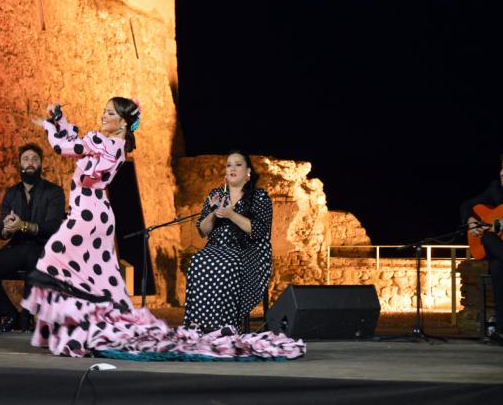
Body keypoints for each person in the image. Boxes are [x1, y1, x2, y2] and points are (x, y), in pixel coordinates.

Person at [22, 98, 304, 360]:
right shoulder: (113, 145)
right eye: (229, 165)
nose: (103, 115)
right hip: (95, 214)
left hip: (88, 215)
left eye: (110, 112)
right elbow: (204, 229)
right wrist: (59, 122)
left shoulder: (103, 143)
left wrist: (52, 124)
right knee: (95, 281)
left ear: (122, 122)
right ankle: (79, 333)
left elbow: (65, 147)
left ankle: (76, 332)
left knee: (53, 266)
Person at [0, 143, 65, 332]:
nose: (29, 163)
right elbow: (2, 232)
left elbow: (53, 227)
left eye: (34, 159)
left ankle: (27, 316)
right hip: (17, 249)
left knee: (32, 254)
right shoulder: (11, 193)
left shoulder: (54, 192)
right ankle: (10, 313)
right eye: (25, 159)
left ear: (40, 165)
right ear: (20, 165)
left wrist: (22, 225)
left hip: (43, 249)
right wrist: (7, 228)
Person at [184, 149, 272, 332]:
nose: (232, 168)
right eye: (229, 165)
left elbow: (258, 231)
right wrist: (214, 214)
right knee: (198, 261)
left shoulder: (260, 196)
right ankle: (197, 325)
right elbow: (202, 230)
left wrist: (231, 214)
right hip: (216, 247)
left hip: (248, 250)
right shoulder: (216, 194)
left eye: (238, 164)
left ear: (248, 171)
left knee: (227, 263)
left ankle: (226, 326)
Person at [460, 147, 503, 346]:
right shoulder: (495, 190)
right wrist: (471, 220)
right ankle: (502, 332)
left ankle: (502, 332)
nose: (502, 172)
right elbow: (467, 205)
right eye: (502, 167)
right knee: (495, 256)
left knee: (495, 259)